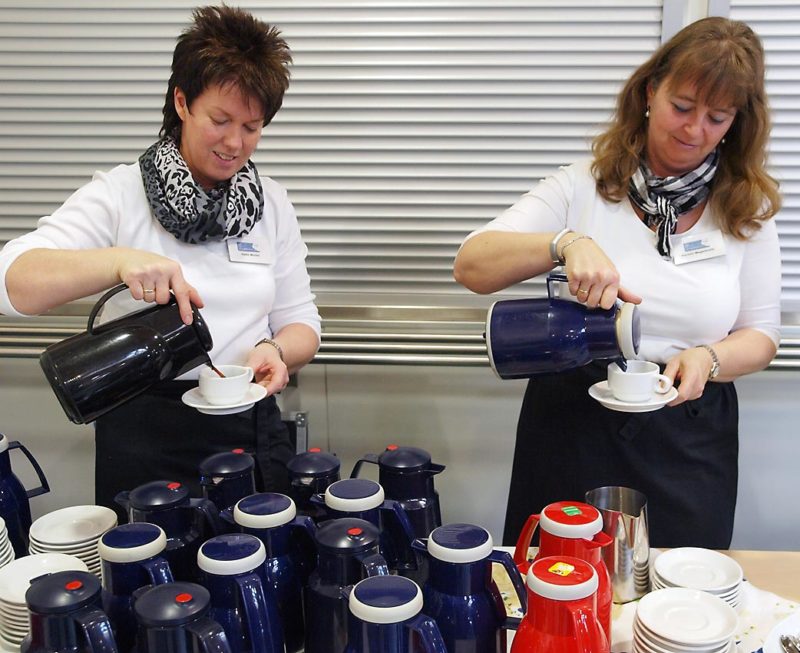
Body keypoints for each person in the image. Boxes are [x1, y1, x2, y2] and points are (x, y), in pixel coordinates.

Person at [454, 17, 781, 549]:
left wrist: (710, 359)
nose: (694, 130)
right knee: (559, 586)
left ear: (736, 123)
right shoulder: (583, 185)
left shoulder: (746, 210)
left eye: (716, 118)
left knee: (680, 597)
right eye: (682, 107)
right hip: (572, 423)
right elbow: (471, 266)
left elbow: (762, 333)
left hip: (688, 431)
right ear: (651, 91)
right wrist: (564, 243)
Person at [0, 6, 320, 519]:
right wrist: (119, 262)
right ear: (182, 101)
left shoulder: (271, 204)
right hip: (145, 439)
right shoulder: (120, 194)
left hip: (249, 430)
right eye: (220, 120)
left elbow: (302, 321)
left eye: (252, 126)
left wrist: (277, 350)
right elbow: (12, 281)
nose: (235, 143)